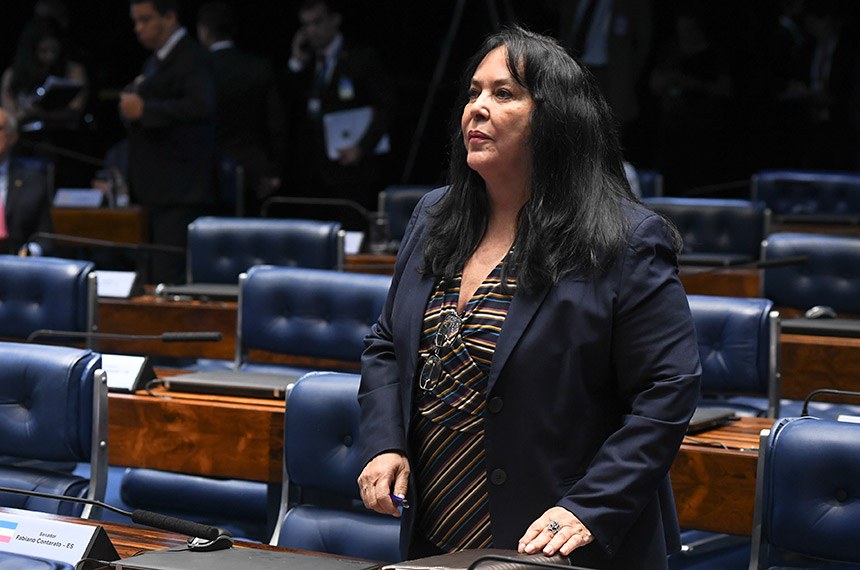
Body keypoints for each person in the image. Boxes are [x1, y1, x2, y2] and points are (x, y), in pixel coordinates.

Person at [356, 26, 701, 570]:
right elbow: (385, 343)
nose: (477, 108)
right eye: (473, 92)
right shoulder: (434, 216)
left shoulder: (624, 239)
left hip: (560, 542)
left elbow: (668, 389)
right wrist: (385, 442)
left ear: (555, 119)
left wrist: (589, 508)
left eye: (504, 94)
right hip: (436, 533)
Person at [120, 0, 218, 284]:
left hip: (180, 191)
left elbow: (201, 106)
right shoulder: (154, 61)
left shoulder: (191, 57)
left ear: (170, 17)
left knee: (169, 275)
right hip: (155, 190)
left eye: (145, 19)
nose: (138, 29)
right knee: (151, 273)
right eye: (135, 22)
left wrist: (145, 110)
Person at [284, 0, 394, 218]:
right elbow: (286, 105)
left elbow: (386, 107)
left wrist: (361, 147)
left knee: (351, 230)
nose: (312, 31)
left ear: (335, 19)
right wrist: (296, 63)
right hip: (311, 172)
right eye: (306, 25)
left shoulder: (361, 58)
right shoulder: (306, 63)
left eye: (317, 22)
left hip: (351, 169)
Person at [197, 1, 285, 217]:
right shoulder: (258, 67)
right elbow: (276, 124)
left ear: (204, 31)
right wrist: (274, 170)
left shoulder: (197, 70)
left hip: (206, 172)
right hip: (254, 170)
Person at [1, 16, 88, 132]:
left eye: (54, 50)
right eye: (44, 51)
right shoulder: (13, 74)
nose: (50, 56)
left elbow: (76, 109)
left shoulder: (73, 70)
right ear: (32, 50)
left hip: (64, 134)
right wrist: (25, 114)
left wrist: (45, 115)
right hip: (25, 135)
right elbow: (10, 116)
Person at [0, 108, 54, 256]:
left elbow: (45, 236)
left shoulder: (34, 180)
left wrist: (32, 251)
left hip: (16, 262)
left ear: (13, 137)